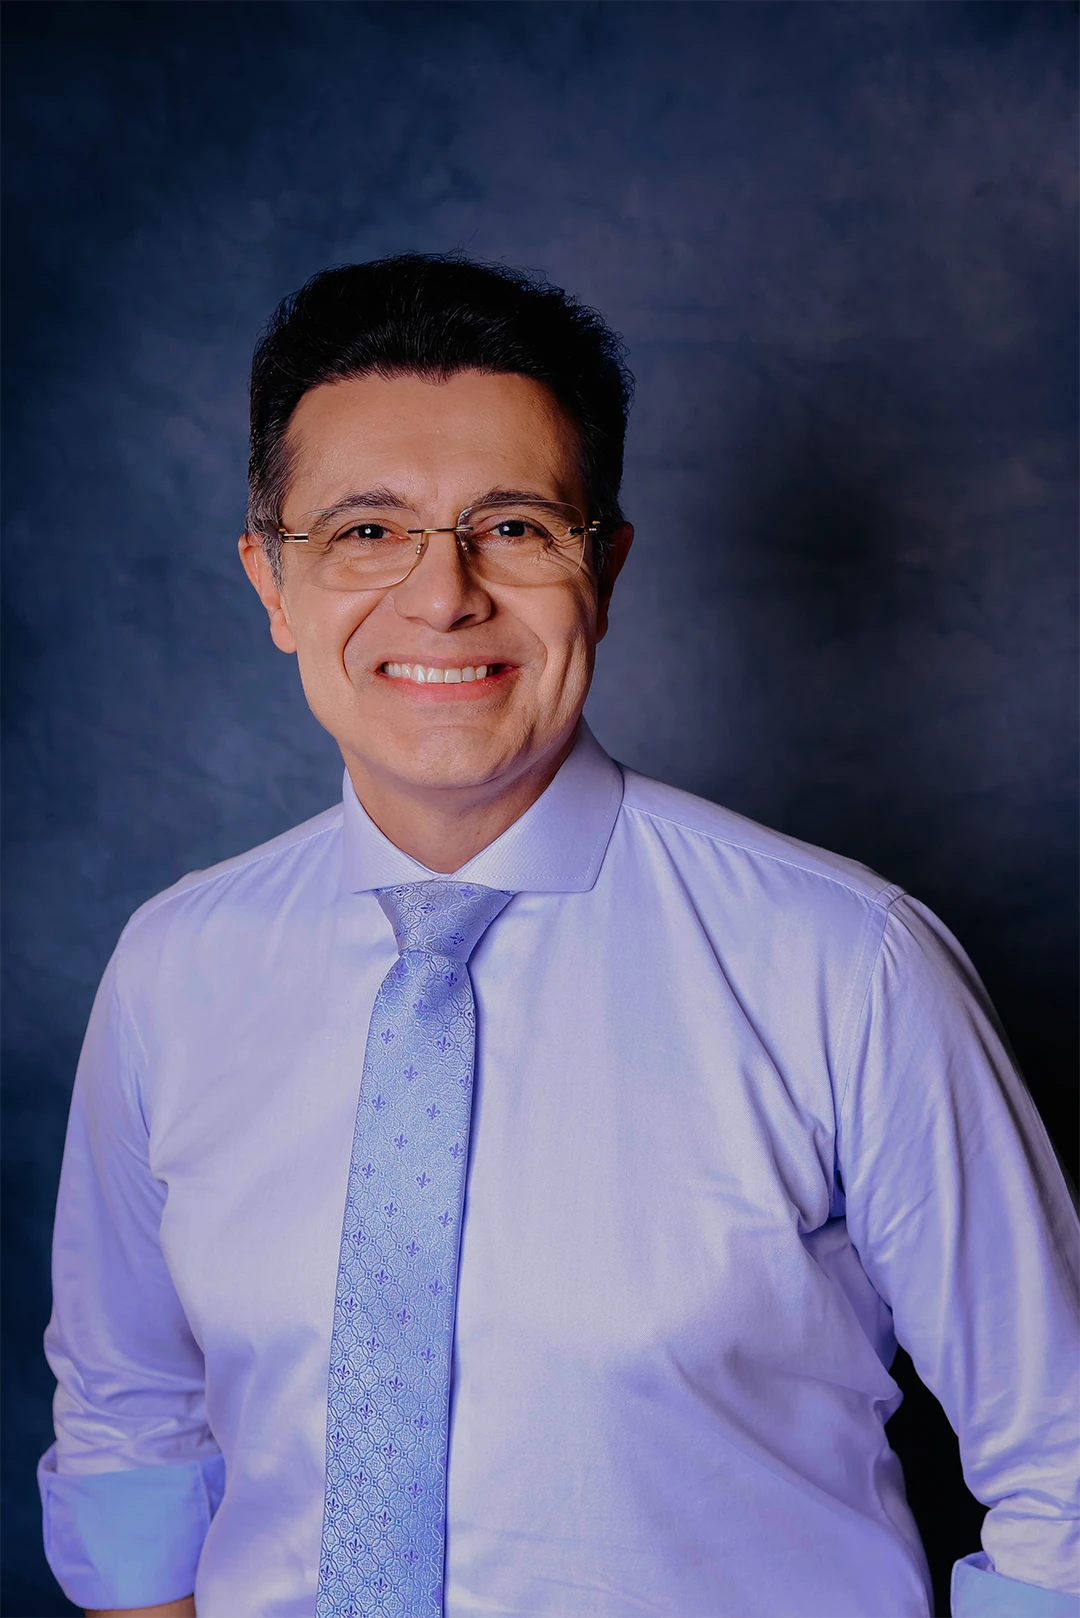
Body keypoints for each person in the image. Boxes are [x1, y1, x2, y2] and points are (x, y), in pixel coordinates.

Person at [39, 254, 1080, 1618]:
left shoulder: (849, 966)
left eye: (516, 526)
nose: (443, 595)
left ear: (607, 567)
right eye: (366, 530)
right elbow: (130, 1422)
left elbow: (1065, 1469)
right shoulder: (173, 969)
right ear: (272, 583)